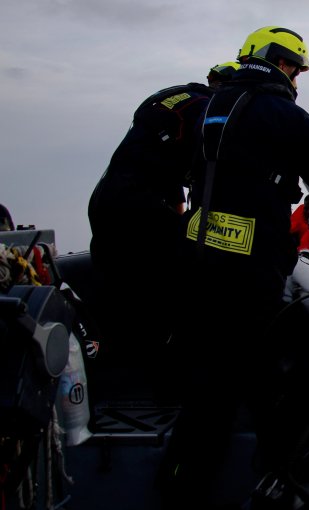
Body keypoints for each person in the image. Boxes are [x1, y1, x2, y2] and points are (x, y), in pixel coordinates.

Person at [158, 26, 309, 507]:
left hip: (194, 262)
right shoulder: (289, 117)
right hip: (250, 274)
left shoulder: (205, 107)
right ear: (280, 63)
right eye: (295, 66)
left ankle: (174, 481)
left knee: (202, 384)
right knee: (247, 386)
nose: (297, 77)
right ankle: (264, 486)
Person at [87, 65, 215, 401]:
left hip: (106, 199)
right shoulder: (206, 110)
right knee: (180, 284)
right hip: (139, 207)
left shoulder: (169, 99)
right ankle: (167, 383)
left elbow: (166, 171)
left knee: (113, 287)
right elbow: (202, 176)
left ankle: (109, 375)